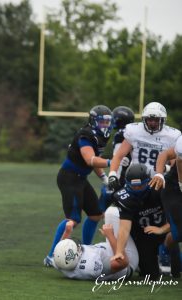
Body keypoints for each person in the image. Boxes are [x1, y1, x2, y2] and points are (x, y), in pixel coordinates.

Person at [44, 105, 112, 267]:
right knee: (72, 219)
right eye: (102, 122)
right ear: (93, 121)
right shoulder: (85, 135)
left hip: (81, 178)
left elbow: (95, 160)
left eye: (108, 122)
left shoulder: (100, 136)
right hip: (69, 178)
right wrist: (112, 161)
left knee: (96, 214)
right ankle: (52, 255)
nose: (105, 126)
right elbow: (90, 159)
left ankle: (86, 250)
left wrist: (104, 177)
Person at [111, 163, 170, 280]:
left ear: (148, 181)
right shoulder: (125, 198)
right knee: (151, 275)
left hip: (166, 229)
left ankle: (170, 259)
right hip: (143, 235)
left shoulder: (159, 189)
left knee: (174, 237)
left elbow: (177, 218)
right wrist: (119, 251)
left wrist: (161, 229)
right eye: (134, 186)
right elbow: (124, 228)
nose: (137, 189)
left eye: (140, 186)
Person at [108, 102, 181, 191]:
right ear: (144, 119)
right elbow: (119, 156)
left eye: (156, 120)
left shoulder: (172, 135)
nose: (153, 123)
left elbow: (175, 163)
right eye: (150, 120)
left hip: (159, 181)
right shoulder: (134, 131)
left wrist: (166, 168)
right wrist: (112, 173)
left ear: (163, 120)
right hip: (136, 179)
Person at [53, 208, 139, 281]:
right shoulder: (92, 266)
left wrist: (67, 231)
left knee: (111, 214)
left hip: (110, 251)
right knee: (112, 212)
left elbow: (63, 250)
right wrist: (110, 236)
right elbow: (123, 263)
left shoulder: (61, 262)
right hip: (128, 260)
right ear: (78, 254)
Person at [149, 136, 182, 277]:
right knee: (179, 234)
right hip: (175, 188)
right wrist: (159, 174)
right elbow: (168, 155)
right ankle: (164, 251)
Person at [98, 106, 135, 211]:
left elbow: (118, 156)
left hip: (121, 177)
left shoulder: (121, 134)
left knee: (98, 212)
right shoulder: (132, 132)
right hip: (127, 175)